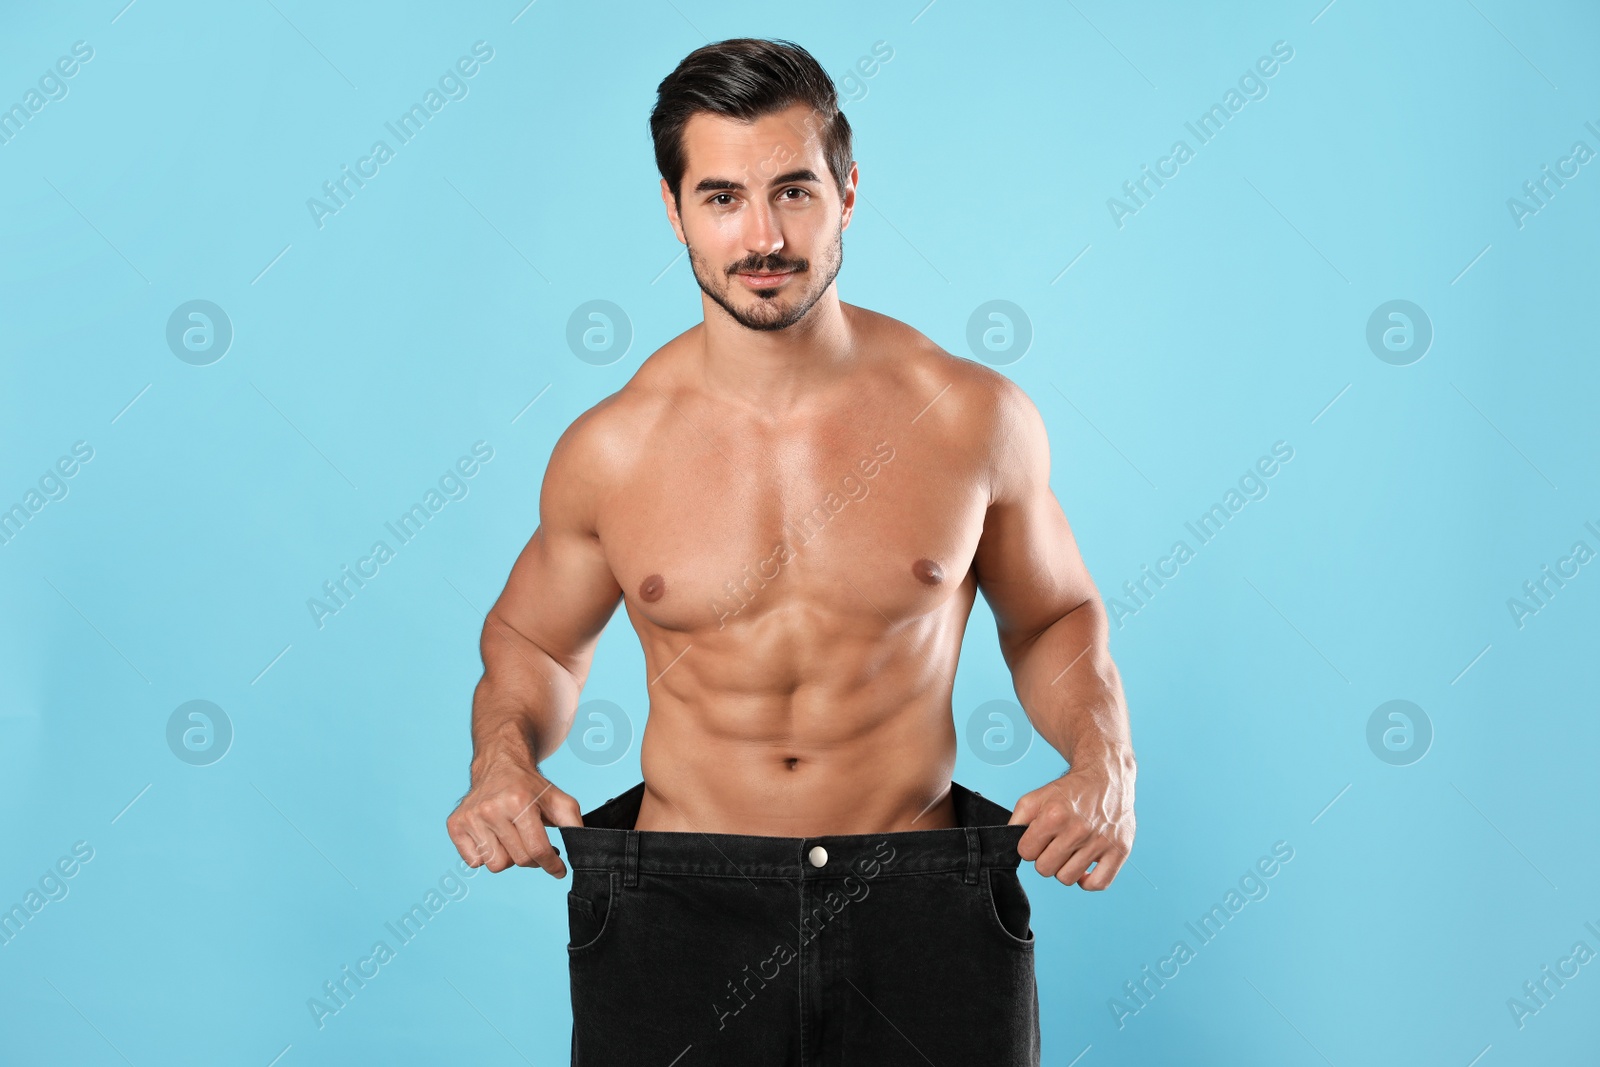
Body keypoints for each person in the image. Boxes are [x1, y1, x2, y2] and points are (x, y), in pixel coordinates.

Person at [445, 37, 1136, 1065]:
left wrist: (1102, 757)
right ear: (673, 212)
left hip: (917, 904)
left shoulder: (968, 418)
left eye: (793, 192)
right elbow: (534, 642)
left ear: (848, 193)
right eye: (721, 197)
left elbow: (1051, 616)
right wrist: (501, 759)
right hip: (679, 910)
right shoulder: (612, 448)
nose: (762, 235)